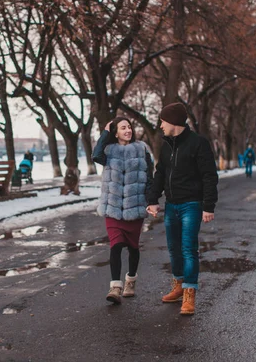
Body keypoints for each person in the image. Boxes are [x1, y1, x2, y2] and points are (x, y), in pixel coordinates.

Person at [146, 102, 218, 316]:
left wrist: (208, 206)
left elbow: (209, 176)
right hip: (171, 205)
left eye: (162, 121)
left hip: (191, 205)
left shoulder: (198, 144)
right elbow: (160, 173)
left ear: (173, 122)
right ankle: (178, 285)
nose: (160, 126)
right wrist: (153, 199)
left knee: (188, 250)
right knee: (173, 249)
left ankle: (189, 293)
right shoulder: (166, 144)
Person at [92, 117, 153, 305]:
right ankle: (115, 287)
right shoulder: (109, 151)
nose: (128, 130)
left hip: (135, 207)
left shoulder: (142, 149)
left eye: (129, 127)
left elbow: (150, 177)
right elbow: (96, 155)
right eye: (123, 128)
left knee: (133, 247)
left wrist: (152, 201)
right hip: (113, 208)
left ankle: (131, 280)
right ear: (115, 132)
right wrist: (104, 133)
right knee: (116, 245)